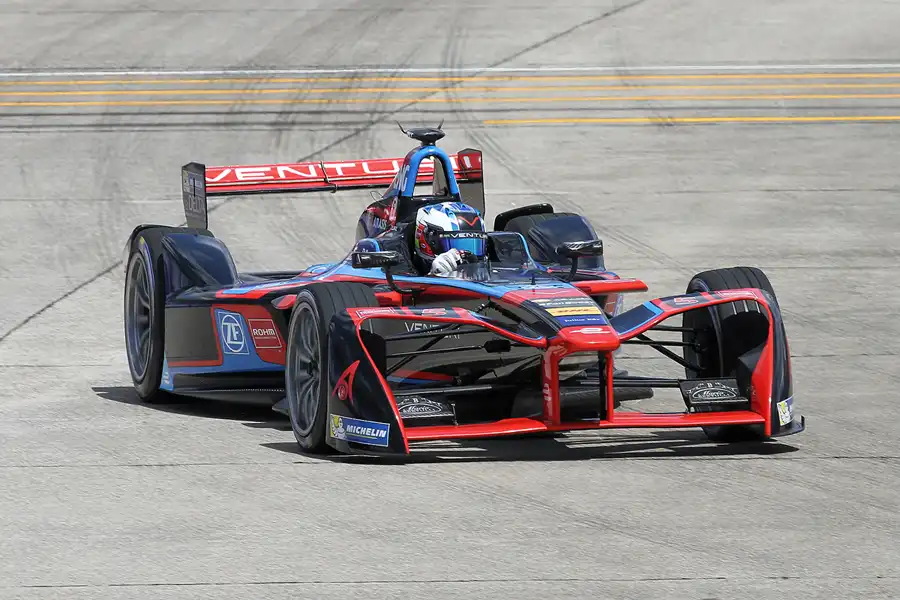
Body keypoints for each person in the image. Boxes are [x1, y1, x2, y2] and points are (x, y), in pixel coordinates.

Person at [374, 201, 488, 277]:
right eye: (453, 245)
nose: (463, 255)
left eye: (473, 245)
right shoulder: (393, 256)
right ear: (426, 240)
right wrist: (432, 277)